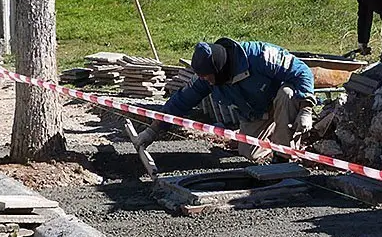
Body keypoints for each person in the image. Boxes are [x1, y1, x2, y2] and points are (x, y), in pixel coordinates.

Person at [132, 37, 316, 163]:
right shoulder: (208, 78)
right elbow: (181, 101)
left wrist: (306, 109)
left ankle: (283, 158)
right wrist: (153, 130)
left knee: (287, 94)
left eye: (207, 76)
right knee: (249, 153)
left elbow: (302, 71)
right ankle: (276, 137)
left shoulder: (259, 56)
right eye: (202, 77)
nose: (205, 80)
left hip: (281, 100)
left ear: (219, 68)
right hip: (256, 111)